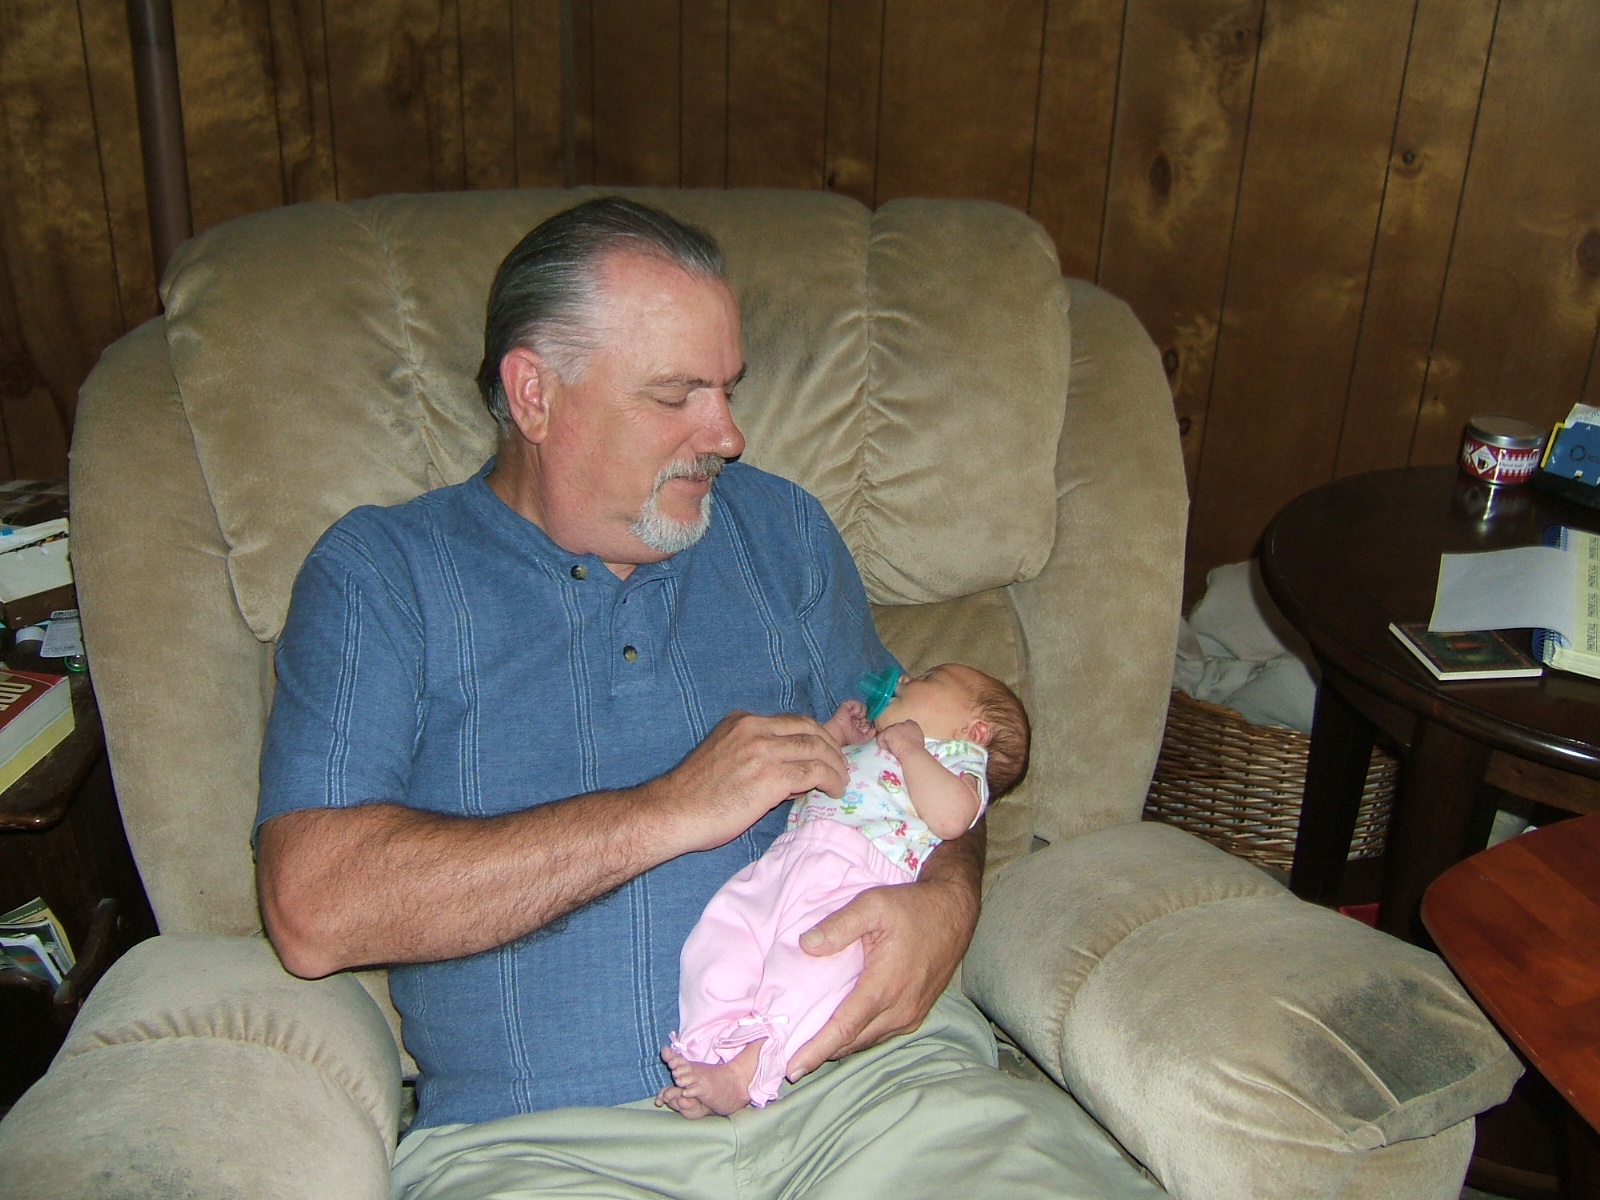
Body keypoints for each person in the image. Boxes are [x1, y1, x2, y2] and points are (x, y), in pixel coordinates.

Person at [255, 197, 1162, 1199]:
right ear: (533, 395)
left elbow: (941, 749)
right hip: (548, 1148)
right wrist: (668, 811)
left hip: (877, 1097)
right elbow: (314, 907)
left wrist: (950, 898)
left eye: (727, 388)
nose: (727, 435)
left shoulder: (783, 532)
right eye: (676, 393)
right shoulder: (383, 574)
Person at [658, 664, 1029, 1118]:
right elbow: (812, 775)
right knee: (722, 937)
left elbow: (953, 819)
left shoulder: (957, 759)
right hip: (787, 860)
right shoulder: (878, 743)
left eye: (928, 679)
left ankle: (745, 1071)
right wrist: (836, 736)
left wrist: (912, 750)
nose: (906, 678)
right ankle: (707, 1050)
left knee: (808, 970)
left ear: (974, 730)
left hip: (856, 877)